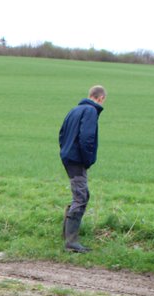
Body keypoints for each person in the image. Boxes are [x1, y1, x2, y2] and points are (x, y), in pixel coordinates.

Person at [58, 85, 106, 253]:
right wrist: (87, 159)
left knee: (81, 194)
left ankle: (67, 236)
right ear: (100, 98)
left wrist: (65, 152)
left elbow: (61, 134)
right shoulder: (91, 111)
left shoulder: (74, 110)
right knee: (81, 196)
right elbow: (87, 138)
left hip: (68, 157)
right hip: (77, 159)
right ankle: (71, 242)